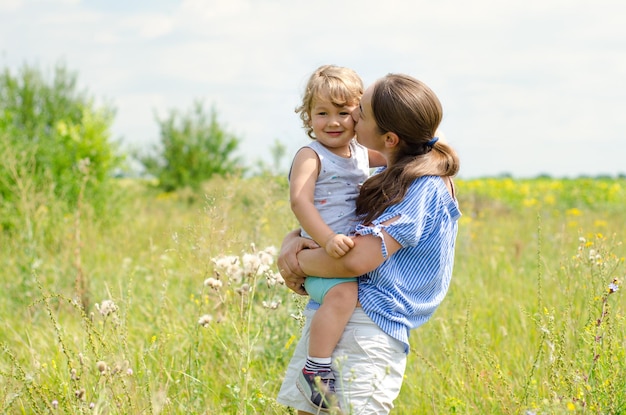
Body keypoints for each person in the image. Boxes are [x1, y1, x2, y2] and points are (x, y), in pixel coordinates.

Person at [276, 73, 461, 415]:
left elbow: (354, 261)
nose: (350, 117)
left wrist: (294, 262)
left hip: (368, 327)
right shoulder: (382, 177)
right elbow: (331, 219)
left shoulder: (424, 189)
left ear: (389, 138)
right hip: (333, 316)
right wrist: (292, 241)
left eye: (359, 110)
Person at [288, 64, 386, 411]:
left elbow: (395, 154)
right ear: (308, 116)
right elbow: (300, 200)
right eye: (322, 113)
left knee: (348, 292)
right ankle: (316, 367)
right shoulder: (311, 156)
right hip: (322, 254)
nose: (333, 122)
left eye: (344, 113)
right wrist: (327, 238)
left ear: (359, 116)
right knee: (344, 294)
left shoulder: (361, 154)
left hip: (344, 254)